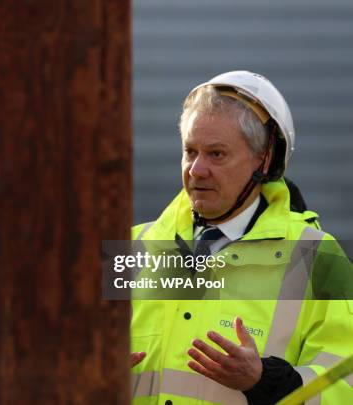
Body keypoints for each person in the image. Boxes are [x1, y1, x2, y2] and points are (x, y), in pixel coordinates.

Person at [129, 71, 351, 404]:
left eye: (216, 154)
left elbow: (345, 384)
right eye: (190, 151)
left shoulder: (317, 257)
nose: (196, 170)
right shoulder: (134, 246)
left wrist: (265, 380)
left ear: (264, 160)